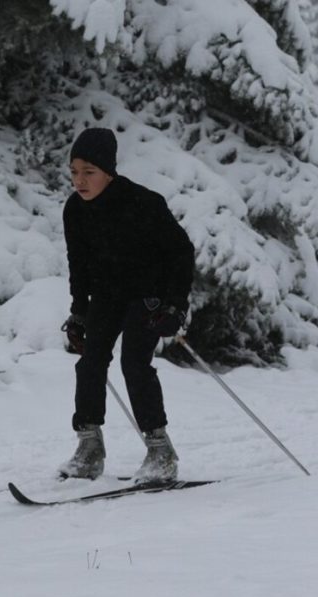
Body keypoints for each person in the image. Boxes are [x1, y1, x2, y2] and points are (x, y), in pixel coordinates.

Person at [59, 127, 195, 484]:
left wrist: (176, 306)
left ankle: (160, 452)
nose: (80, 181)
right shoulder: (75, 211)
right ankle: (89, 450)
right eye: (74, 172)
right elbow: (79, 264)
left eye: (89, 172)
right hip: (107, 294)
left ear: (109, 171)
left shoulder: (143, 203)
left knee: (133, 361)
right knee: (90, 363)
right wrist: (78, 312)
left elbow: (181, 252)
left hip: (149, 295)